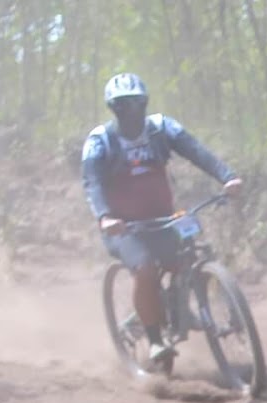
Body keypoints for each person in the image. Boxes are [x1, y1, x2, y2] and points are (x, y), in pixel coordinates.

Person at [81, 73, 243, 369]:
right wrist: (105, 217)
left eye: (136, 103)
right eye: (123, 105)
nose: (131, 111)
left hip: (164, 217)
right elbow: (92, 184)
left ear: (145, 103)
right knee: (144, 268)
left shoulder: (162, 128)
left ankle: (180, 306)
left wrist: (227, 176)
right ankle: (155, 338)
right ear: (113, 109)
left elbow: (197, 152)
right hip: (124, 227)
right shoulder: (100, 141)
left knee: (188, 256)